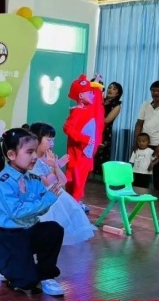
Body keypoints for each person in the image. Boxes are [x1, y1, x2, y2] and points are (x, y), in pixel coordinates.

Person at [0, 128, 65, 296]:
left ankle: (47, 275)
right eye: (29, 152)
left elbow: (41, 209)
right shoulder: (3, 182)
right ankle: (0, 261)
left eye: (35, 151)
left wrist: (47, 198)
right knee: (27, 282)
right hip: (9, 235)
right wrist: (46, 199)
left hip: (29, 229)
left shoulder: (33, 179)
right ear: (11, 154)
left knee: (54, 229)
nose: (35, 156)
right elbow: (17, 212)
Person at [29, 122, 96, 245]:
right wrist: (54, 166)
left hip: (56, 192)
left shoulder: (49, 158)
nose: (52, 143)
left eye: (53, 140)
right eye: (48, 140)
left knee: (73, 210)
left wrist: (55, 165)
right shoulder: (33, 160)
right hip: (42, 195)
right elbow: (46, 182)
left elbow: (63, 180)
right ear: (36, 140)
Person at [63, 75, 103, 212]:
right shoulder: (77, 112)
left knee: (81, 178)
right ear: (81, 96)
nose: (92, 95)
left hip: (84, 153)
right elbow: (67, 128)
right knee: (77, 179)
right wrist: (84, 139)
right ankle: (74, 204)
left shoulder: (87, 110)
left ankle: (75, 202)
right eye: (89, 92)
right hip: (78, 154)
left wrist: (95, 84)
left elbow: (96, 102)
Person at [133, 81, 159, 191]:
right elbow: (139, 123)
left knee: (158, 172)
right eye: (153, 90)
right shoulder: (145, 105)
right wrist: (137, 141)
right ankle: (139, 192)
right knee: (140, 170)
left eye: (158, 91)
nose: (155, 93)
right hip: (144, 143)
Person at [93, 82, 123, 175]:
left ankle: (98, 181)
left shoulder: (117, 106)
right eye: (110, 87)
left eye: (114, 89)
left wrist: (93, 118)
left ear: (118, 93)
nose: (110, 90)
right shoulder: (100, 100)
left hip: (104, 132)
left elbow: (106, 120)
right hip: (92, 130)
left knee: (100, 158)